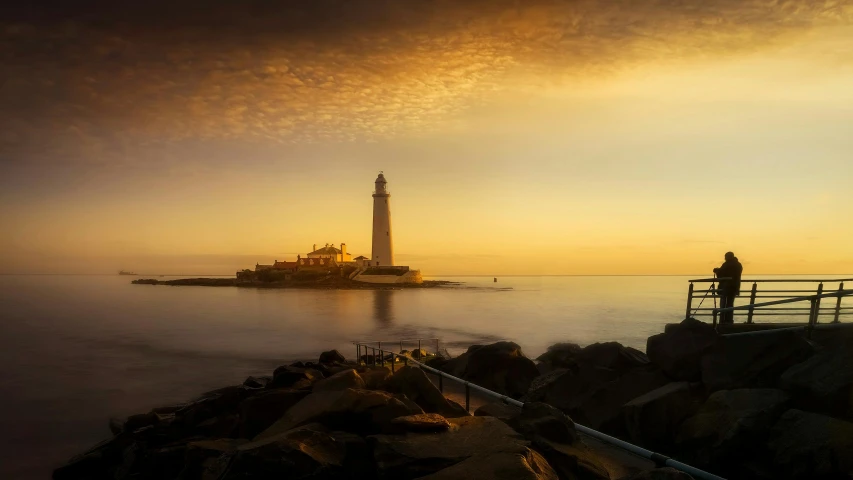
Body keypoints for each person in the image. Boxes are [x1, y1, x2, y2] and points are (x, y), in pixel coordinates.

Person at [713, 252, 743, 324]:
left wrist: (717, 271)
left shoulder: (727, 264)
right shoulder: (738, 264)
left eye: (725, 256)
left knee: (723, 304)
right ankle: (729, 320)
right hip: (734, 287)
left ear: (728, 257)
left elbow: (722, 274)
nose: (724, 258)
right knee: (730, 304)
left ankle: (722, 320)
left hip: (726, 287)